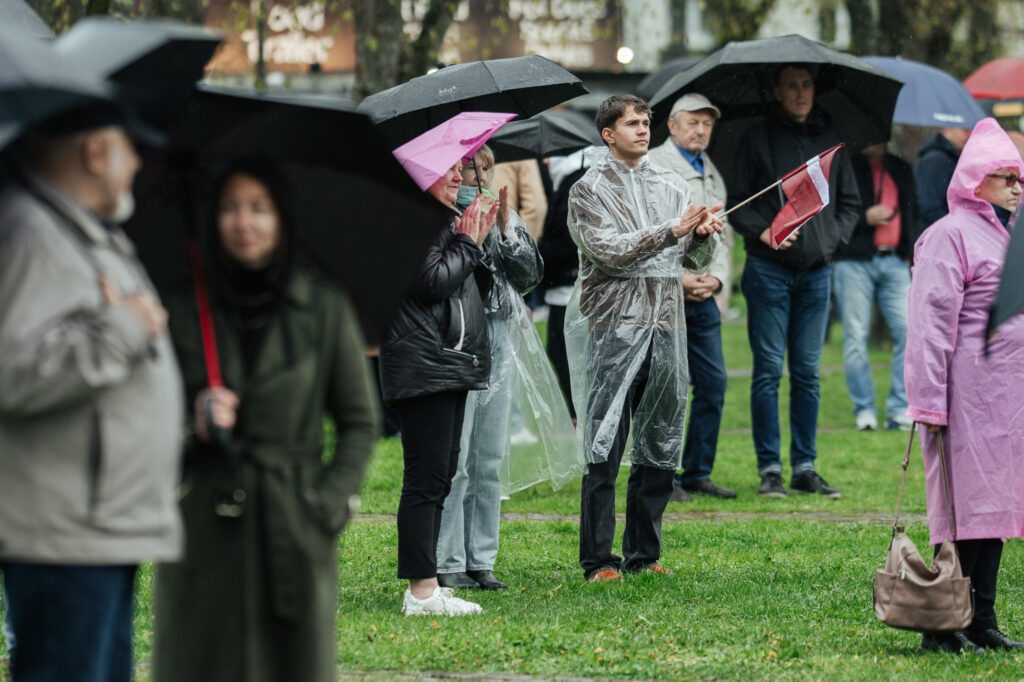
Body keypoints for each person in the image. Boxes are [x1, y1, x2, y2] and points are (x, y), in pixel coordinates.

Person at [150, 159, 379, 681]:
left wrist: (322, 507)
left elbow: (359, 421)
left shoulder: (321, 307)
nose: (243, 222)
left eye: (259, 208)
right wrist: (193, 426)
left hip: (292, 524)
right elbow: (147, 419)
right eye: (230, 208)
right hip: (204, 528)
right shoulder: (184, 308)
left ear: (281, 219)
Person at [0, 110, 183, 682]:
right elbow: (11, 372)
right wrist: (126, 327)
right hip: (64, 532)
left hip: (97, 524)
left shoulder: (76, 231)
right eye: (130, 149)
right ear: (96, 153)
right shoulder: (32, 234)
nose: (138, 165)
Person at [566, 94, 721, 582]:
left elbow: (694, 260)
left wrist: (701, 235)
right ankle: (598, 560)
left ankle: (643, 554)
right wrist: (670, 232)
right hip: (615, 327)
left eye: (646, 122)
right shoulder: (587, 190)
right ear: (608, 134)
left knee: (659, 440)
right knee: (605, 445)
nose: (642, 129)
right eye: (631, 123)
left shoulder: (670, 185)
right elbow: (609, 252)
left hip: (666, 326)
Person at [906, 118, 1024, 654]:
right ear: (977, 178)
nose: (1017, 188)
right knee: (961, 511)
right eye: (1006, 177)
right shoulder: (947, 235)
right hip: (963, 398)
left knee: (993, 510)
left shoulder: (1005, 236)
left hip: (1006, 401)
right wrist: (929, 401)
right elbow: (929, 326)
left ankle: (982, 621)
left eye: (1020, 178)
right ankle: (941, 625)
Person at [728, 63, 860, 499]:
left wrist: (829, 239)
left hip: (817, 275)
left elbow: (850, 205)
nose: (801, 92)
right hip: (767, 271)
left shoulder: (830, 141)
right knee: (768, 372)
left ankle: (805, 466)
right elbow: (737, 203)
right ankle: (770, 469)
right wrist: (765, 231)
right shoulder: (757, 139)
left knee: (807, 374)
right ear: (777, 92)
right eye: (792, 86)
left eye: (806, 85)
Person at [379, 161, 498, 615]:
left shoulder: (442, 222)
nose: (457, 177)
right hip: (424, 364)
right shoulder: (407, 220)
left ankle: (426, 582)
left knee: (441, 476)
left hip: (448, 362)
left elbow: (466, 287)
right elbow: (431, 283)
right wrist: (467, 241)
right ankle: (421, 590)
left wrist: (476, 239)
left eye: (458, 169)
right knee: (425, 481)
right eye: (446, 169)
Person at [436, 145, 543, 591]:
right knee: (457, 457)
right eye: (468, 167)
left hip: (498, 335)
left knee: (489, 454)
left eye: (486, 167)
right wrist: (471, 238)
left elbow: (529, 276)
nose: (478, 175)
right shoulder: (443, 218)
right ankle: (448, 559)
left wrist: (504, 230)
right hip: (458, 336)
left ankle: (481, 557)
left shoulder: (504, 216)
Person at [648, 92, 735, 501]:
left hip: (705, 297)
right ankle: (660, 476)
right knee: (667, 388)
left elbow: (724, 234)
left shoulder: (711, 170)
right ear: (672, 125)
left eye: (707, 124)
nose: (701, 130)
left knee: (713, 384)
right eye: (693, 122)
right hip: (666, 295)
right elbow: (652, 232)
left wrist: (715, 279)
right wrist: (679, 277)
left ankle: (697, 472)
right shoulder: (653, 165)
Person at [832, 143, 919, 432]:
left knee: (909, 330)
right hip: (854, 262)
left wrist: (910, 251)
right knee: (856, 335)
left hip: (894, 260)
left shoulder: (899, 167)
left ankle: (899, 408)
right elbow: (833, 214)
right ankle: (865, 409)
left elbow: (913, 211)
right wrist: (864, 218)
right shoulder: (845, 167)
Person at [916, 126, 970, 229]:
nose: (968, 135)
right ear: (947, 131)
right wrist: (954, 229)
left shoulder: (951, 158)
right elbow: (929, 205)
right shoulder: (935, 160)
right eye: (965, 130)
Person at [491, 158, 549, 241]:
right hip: (508, 234)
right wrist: (523, 243)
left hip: (478, 239)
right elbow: (536, 208)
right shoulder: (523, 154)